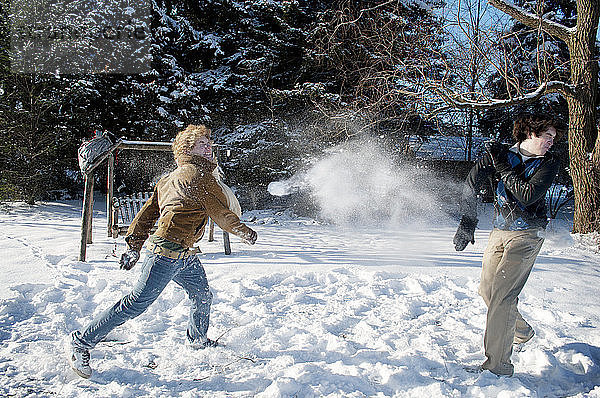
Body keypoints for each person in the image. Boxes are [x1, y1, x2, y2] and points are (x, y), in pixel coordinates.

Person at [68, 124, 257, 379]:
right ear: (188, 149)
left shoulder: (170, 178)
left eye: (209, 143)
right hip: (166, 254)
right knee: (135, 304)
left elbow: (146, 214)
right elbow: (218, 210)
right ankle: (81, 342)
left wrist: (134, 245)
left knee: (201, 294)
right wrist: (241, 229)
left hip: (185, 255)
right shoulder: (197, 176)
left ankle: (197, 340)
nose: (208, 147)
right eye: (202, 144)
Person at [453, 114, 562, 377]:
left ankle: (497, 366)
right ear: (530, 133)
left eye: (554, 138)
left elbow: (527, 195)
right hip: (499, 231)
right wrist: (468, 221)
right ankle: (520, 331)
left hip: (528, 235)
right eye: (547, 136)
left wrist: (501, 166)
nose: (551, 142)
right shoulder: (501, 154)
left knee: (502, 296)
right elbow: (471, 184)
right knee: (487, 291)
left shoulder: (548, 163)